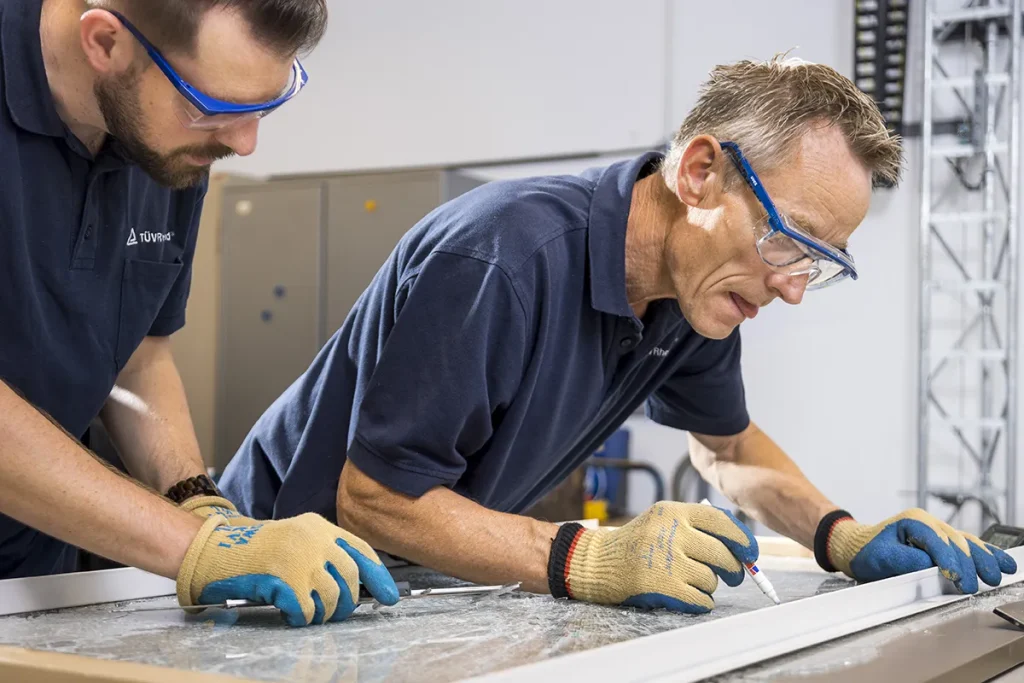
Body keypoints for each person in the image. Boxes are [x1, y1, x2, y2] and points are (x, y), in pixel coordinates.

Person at [219, 56, 1017, 614]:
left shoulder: (694, 295)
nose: (793, 287)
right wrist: (589, 555)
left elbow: (728, 447)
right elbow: (377, 498)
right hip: (262, 571)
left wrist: (840, 533)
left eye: (819, 263)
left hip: (405, 582)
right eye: (788, 241)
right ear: (699, 173)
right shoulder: (504, 258)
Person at [0, 0, 397, 626]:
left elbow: (135, 357)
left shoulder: (163, 144)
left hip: (33, 576)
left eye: (267, 104)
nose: (244, 142)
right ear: (104, 42)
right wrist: (199, 548)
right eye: (213, 107)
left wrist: (200, 505)